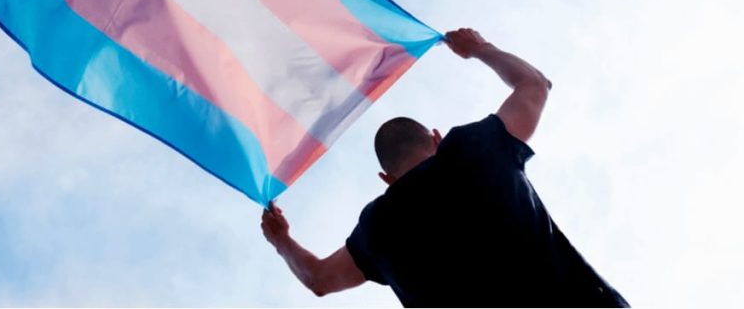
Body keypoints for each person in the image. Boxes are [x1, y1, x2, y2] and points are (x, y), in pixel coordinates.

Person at [260, 28, 628, 307]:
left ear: (387, 179)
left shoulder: (377, 229)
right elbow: (534, 85)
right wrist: (479, 48)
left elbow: (318, 279)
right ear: (436, 138)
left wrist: (281, 240)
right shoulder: (474, 149)